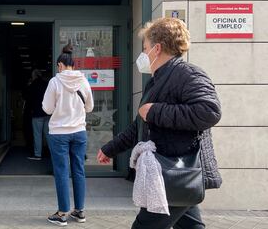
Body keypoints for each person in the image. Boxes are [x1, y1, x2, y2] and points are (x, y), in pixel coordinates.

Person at [97, 18, 221, 229]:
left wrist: (156, 110)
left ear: (157, 48)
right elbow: (140, 125)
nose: (143, 54)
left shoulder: (187, 74)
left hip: (176, 170)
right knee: (190, 226)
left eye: (145, 48)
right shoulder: (156, 81)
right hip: (173, 172)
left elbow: (209, 112)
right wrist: (110, 149)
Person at [42, 44, 94, 226]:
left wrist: (61, 109)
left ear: (60, 65)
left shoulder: (55, 82)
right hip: (79, 132)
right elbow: (90, 107)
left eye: (58, 66)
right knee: (79, 170)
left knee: (62, 172)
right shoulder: (84, 81)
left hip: (59, 133)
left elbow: (47, 108)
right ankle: (79, 212)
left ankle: (62, 213)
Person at [26, 69, 50, 160]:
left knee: (37, 134)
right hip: (47, 113)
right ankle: (52, 152)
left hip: (37, 113)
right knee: (48, 134)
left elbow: (28, 99)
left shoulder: (32, 85)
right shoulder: (47, 84)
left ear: (34, 76)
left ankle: (38, 154)